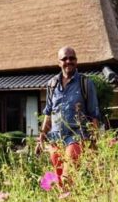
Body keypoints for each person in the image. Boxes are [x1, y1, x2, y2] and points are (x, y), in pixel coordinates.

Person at [37, 46, 101, 186]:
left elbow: (93, 114)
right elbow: (49, 113)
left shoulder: (85, 83)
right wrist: (41, 137)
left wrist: (94, 143)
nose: (68, 61)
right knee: (58, 179)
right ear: (59, 62)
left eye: (72, 58)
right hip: (56, 138)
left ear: (76, 61)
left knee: (67, 177)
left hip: (76, 136)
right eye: (64, 59)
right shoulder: (52, 84)